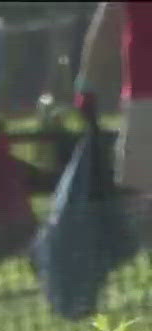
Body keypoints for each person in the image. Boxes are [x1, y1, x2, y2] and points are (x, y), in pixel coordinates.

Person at [75, 1, 152, 229]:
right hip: (144, 97)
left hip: (145, 98)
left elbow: (106, 26)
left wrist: (87, 85)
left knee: (143, 194)